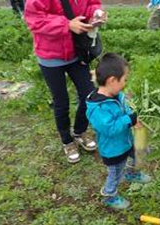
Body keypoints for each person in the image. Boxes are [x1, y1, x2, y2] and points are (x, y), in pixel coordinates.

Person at [24, 0, 106, 163]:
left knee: (89, 94)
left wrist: (96, 13)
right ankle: (67, 141)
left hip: (77, 52)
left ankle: (79, 132)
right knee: (61, 101)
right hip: (50, 56)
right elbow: (34, 20)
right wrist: (67, 25)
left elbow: (91, 4)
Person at [86, 53, 151, 209]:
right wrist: (129, 119)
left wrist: (132, 118)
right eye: (124, 80)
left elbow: (126, 108)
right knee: (115, 174)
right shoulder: (98, 108)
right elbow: (110, 128)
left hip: (126, 141)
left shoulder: (117, 94)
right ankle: (109, 195)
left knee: (139, 154)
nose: (125, 83)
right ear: (112, 80)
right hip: (113, 151)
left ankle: (132, 173)